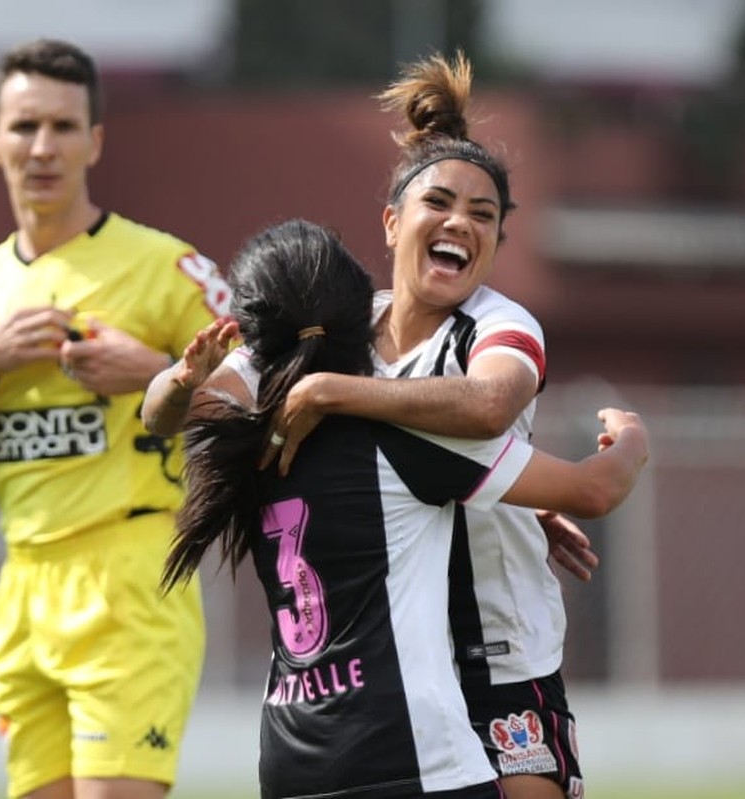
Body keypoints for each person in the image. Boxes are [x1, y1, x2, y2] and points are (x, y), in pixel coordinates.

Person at [147, 52, 596, 799]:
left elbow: (487, 406)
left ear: (497, 243)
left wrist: (334, 394)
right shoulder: (340, 324)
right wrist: (176, 379)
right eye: (440, 204)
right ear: (391, 223)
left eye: (483, 216)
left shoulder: (499, 324)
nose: (460, 223)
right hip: (386, 674)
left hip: (495, 650)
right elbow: (188, 413)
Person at [155, 218, 648, 799]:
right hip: (410, 754)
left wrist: (188, 378)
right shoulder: (406, 439)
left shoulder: (248, 441)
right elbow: (595, 491)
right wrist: (632, 436)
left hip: (291, 756)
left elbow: (159, 413)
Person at [0, 39, 229, 799]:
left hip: (128, 576)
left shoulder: (167, 268)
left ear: (94, 140)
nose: (42, 146)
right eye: (24, 127)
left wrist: (156, 375)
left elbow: (279, 400)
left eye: (63, 126)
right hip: (21, 589)